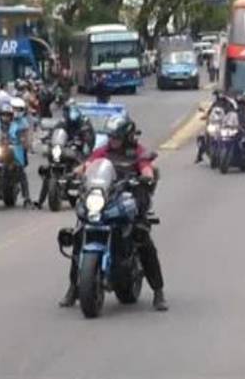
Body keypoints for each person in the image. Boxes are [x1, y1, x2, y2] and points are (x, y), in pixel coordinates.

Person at [59, 115, 168, 311]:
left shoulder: (137, 152)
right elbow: (88, 165)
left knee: (142, 238)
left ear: (126, 136)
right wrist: (72, 174)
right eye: (111, 137)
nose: (113, 140)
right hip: (104, 198)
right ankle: (73, 288)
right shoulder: (104, 151)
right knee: (79, 234)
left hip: (130, 198)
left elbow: (146, 168)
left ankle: (158, 291)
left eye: (116, 137)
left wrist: (146, 177)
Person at [36, 101, 95, 209]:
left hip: (78, 150)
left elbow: (90, 138)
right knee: (48, 171)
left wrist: (85, 141)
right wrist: (47, 139)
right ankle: (40, 201)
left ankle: (88, 197)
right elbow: (54, 132)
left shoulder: (84, 122)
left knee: (86, 169)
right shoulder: (62, 122)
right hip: (62, 149)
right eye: (67, 110)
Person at [196, 90, 237, 163]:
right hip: (214, 124)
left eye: (219, 95)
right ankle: (199, 156)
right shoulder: (215, 103)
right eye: (217, 95)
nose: (219, 97)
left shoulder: (229, 104)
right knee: (201, 137)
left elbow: (232, 113)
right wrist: (206, 116)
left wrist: (228, 120)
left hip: (223, 125)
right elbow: (210, 111)